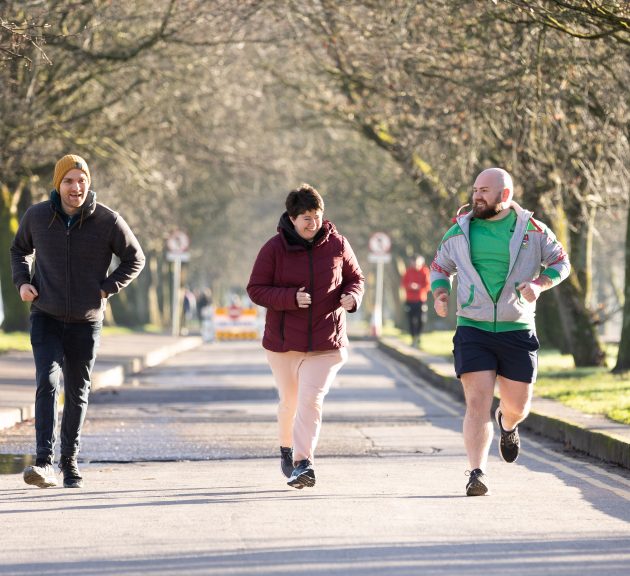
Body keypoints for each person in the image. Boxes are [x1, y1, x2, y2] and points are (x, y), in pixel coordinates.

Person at [430, 167, 570, 496]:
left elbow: (561, 262)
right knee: (476, 402)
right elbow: (439, 266)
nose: (477, 195)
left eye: (485, 191)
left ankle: (507, 424)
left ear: (504, 196)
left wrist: (540, 282)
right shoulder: (459, 231)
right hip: (472, 326)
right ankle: (477, 472)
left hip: (517, 327)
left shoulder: (533, 230)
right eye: (475, 189)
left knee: (518, 406)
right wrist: (440, 292)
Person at [10, 153, 145, 489]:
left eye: (81, 179)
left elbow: (135, 258)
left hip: (86, 321)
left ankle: (69, 461)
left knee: (77, 392)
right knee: (47, 381)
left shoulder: (108, 221)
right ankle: (43, 462)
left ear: (89, 182)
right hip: (46, 315)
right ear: (58, 184)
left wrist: (106, 289)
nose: (76, 186)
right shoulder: (37, 217)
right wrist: (23, 281)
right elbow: (18, 249)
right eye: (69, 180)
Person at [247, 183, 364, 489]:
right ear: (292, 218)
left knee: (310, 400)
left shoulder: (338, 244)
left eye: (316, 215)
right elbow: (256, 288)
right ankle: (286, 448)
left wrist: (352, 297)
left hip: (326, 341)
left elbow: (356, 278)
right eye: (305, 217)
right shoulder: (274, 248)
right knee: (290, 401)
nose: (312, 222)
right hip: (285, 344)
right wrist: (289, 298)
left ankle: (303, 463)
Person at [400, 255, 430, 346]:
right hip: (409, 300)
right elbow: (403, 284)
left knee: (422, 319)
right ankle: (413, 338)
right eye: (413, 262)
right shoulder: (408, 271)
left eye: (417, 263)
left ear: (421, 262)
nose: (415, 265)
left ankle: (418, 336)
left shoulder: (425, 271)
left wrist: (418, 287)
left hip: (421, 300)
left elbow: (428, 286)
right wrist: (410, 286)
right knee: (411, 320)